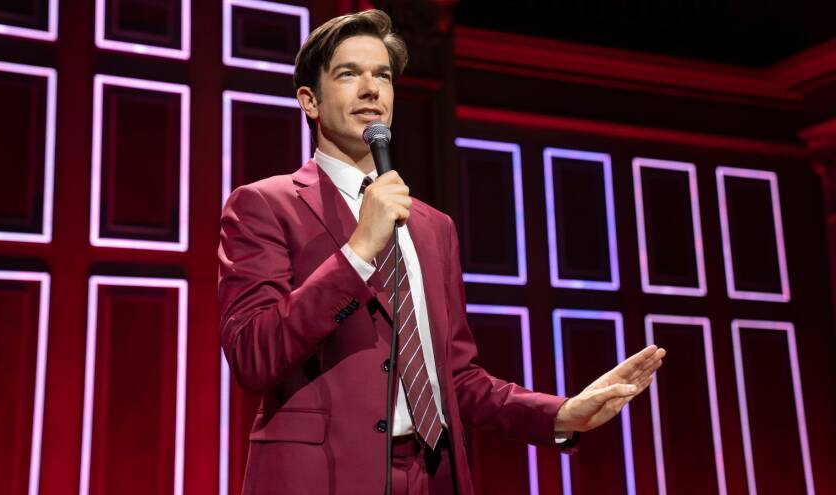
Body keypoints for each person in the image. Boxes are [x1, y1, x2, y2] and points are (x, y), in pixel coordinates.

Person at [218, 9, 666, 494]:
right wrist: (358, 250)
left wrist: (560, 413)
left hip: (433, 476)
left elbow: (456, 377)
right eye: (349, 74)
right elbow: (252, 353)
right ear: (310, 100)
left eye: (383, 76)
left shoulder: (433, 227)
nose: (371, 90)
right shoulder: (264, 204)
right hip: (322, 478)